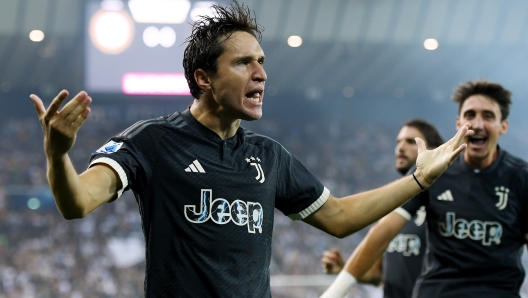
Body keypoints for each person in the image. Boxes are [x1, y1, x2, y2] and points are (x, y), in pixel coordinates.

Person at [29, 2, 472, 297]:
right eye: (244, 62)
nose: (260, 73)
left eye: (262, 62)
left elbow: (340, 218)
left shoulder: (269, 156)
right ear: (204, 78)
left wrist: (418, 180)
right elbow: (77, 203)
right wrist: (57, 154)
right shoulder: (152, 141)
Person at [321, 79, 526, 298]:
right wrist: (334, 293)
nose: (477, 124)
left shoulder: (521, 177)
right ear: (458, 122)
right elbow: (382, 232)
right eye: (470, 115)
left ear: (503, 126)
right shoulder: (435, 171)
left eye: (488, 116)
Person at [321, 119, 444, 298]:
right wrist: (345, 268)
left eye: (410, 141)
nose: (400, 147)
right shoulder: (392, 205)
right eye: (398, 142)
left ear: (433, 150)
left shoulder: (445, 201)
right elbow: (378, 275)